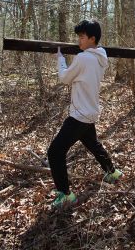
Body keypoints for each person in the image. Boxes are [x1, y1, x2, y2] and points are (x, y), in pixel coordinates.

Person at [48, 19, 122, 207]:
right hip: (90, 113)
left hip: (79, 114)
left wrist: (60, 60)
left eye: (82, 37)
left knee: (55, 152)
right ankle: (112, 172)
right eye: (79, 37)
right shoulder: (101, 58)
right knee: (93, 144)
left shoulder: (83, 58)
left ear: (92, 38)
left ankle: (65, 194)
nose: (79, 41)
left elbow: (65, 78)